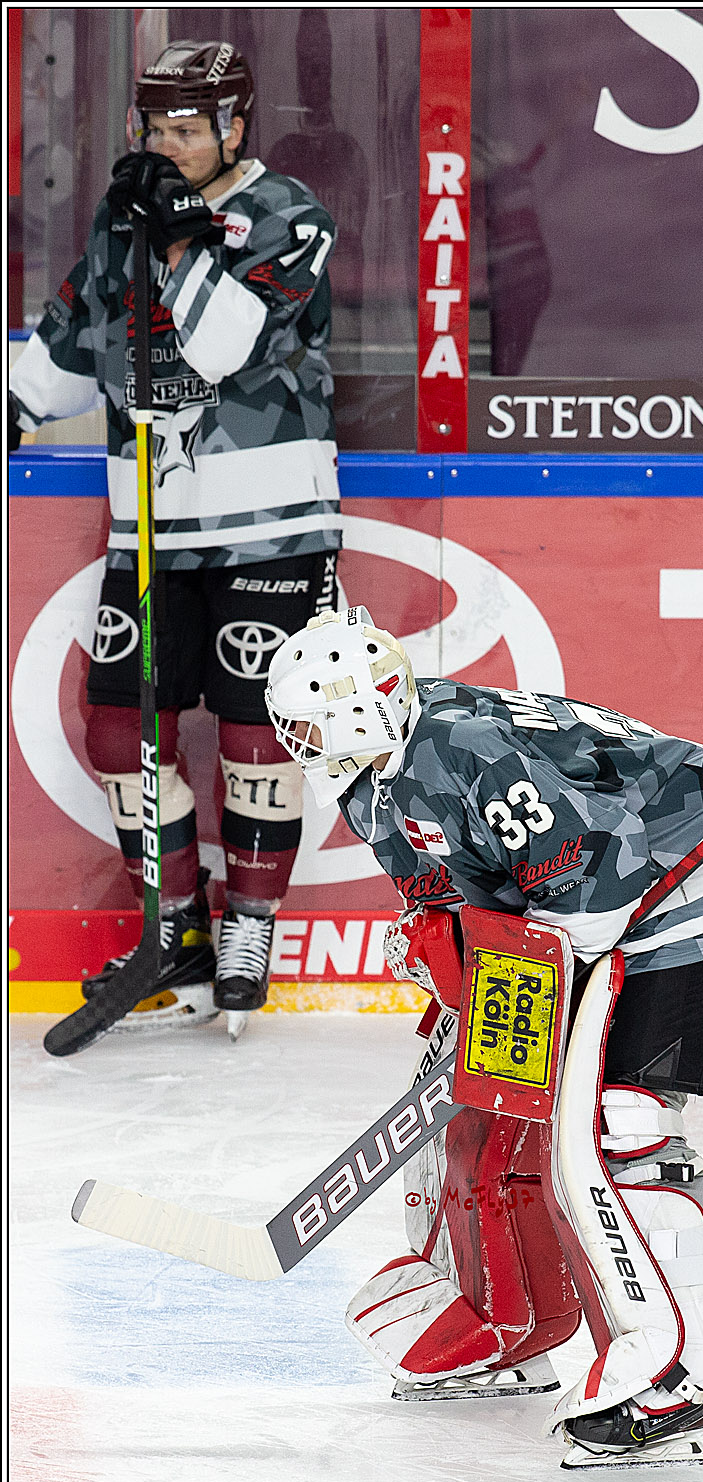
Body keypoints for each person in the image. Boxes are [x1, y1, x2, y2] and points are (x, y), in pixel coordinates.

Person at [263, 606, 703, 1470]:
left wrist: (505, 987)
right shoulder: (380, 777)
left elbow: (590, 888)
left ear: (351, 709)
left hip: (681, 898)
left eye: (308, 723)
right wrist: (449, 955)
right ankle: (509, 1316)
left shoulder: (465, 749)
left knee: (619, 1129)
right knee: (487, 1119)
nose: (300, 741)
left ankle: (690, 1376)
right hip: (601, 906)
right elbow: (468, 899)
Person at [8, 40, 342, 1025]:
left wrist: (183, 236)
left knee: (256, 731)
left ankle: (250, 928)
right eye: (154, 127)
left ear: (235, 126)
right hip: (150, 522)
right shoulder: (124, 222)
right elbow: (66, 357)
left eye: (188, 128)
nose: (168, 144)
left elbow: (226, 343)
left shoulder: (289, 216)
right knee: (119, 726)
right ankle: (178, 931)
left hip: (270, 522)